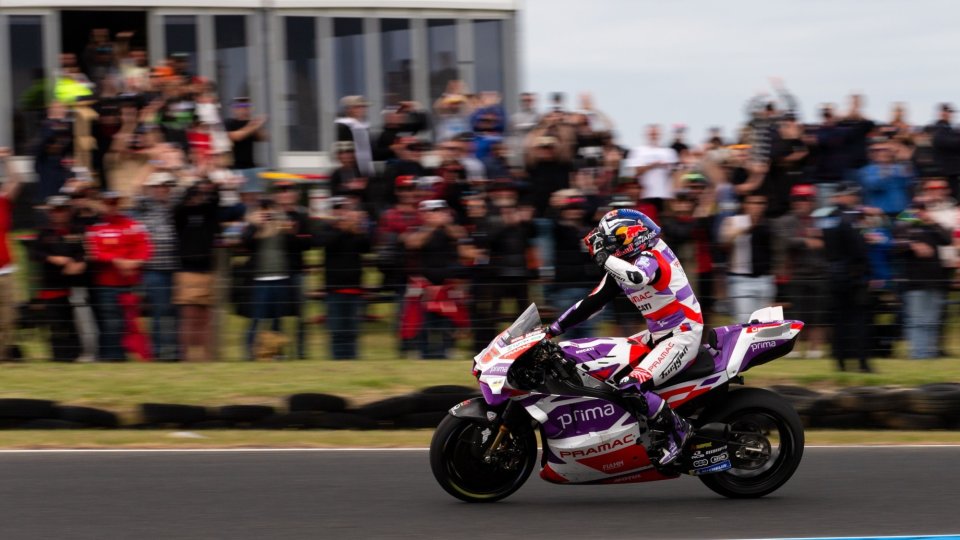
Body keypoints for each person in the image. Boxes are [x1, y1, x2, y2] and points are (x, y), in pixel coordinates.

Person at [545, 209, 703, 466]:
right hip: (658, 334)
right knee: (607, 372)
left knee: (631, 385)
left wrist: (604, 257)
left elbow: (638, 278)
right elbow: (591, 303)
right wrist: (551, 330)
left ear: (632, 236)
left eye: (613, 242)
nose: (609, 248)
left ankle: (681, 434)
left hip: (682, 335)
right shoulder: (628, 262)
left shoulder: (651, 256)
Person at [32, 196, 86, 361]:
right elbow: (34, 253)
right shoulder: (44, 232)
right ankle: (59, 357)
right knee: (57, 324)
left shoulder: (77, 231)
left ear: (69, 211)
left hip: (77, 288)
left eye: (62, 210)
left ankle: (78, 355)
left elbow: (85, 252)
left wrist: (79, 263)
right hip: (53, 289)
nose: (58, 214)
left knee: (76, 324)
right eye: (55, 210)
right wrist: (53, 258)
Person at [0, 148, 22, 362]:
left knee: (8, 317)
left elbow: (16, 180)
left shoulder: (2, 202)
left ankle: (3, 357)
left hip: (5, 270)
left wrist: (7, 160)